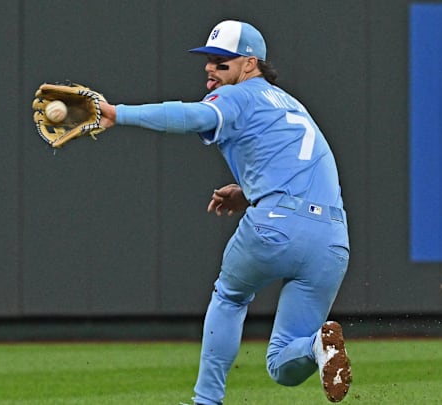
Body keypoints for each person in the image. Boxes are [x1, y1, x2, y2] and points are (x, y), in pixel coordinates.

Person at [98, 20, 351, 405]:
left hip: (277, 227)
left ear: (249, 64)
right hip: (331, 239)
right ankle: (317, 346)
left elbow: (191, 117)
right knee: (282, 364)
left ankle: (207, 401)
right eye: (208, 62)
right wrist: (249, 192)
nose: (210, 69)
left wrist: (118, 114)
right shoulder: (291, 104)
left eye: (221, 61)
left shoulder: (240, 97)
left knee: (230, 297)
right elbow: (300, 164)